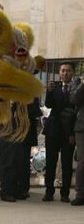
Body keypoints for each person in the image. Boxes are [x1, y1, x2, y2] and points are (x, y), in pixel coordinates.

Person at [42, 61, 76, 202]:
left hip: (69, 132)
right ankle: (49, 192)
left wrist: (73, 133)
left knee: (67, 163)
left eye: (68, 71)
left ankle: (65, 193)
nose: (64, 73)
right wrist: (49, 91)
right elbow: (48, 105)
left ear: (72, 72)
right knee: (50, 162)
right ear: (59, 73)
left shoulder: (77, 88)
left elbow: (78, 111)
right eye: (62, 71)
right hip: (53, 130)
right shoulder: (54, 87)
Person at [70, 77, 84, 206]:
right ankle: (80, 194)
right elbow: (73, 99)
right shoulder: (78, 81)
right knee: (82, 161)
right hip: (82, 127)